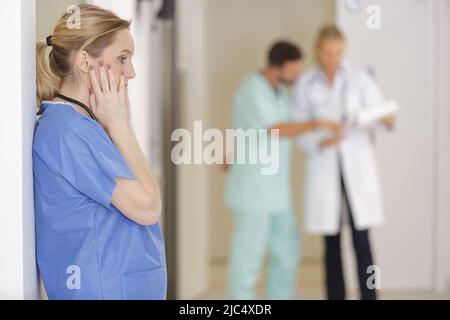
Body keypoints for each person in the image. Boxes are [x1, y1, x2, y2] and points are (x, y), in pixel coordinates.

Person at [33, 4, 166, 299]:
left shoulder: (85, 124)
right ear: (84, 62)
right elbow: (147, 207)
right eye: (122, 59)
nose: (130, 73)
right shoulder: (68, 131)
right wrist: (122, 128)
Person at [224, 41, 341, 299]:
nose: (298, 75)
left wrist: (321, 140)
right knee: (248, 260)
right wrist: (317, 123)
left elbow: (280, 132)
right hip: (253, 191)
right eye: (294, 69)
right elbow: (276, 129)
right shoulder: (252, 88)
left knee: (287, 252)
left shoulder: (279, 91)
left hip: (277, 192)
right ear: (278, 67)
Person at [292, 25, 395, 300]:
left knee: (362, 240)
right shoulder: (305, 83)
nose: (332, 59)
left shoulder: (360, 77)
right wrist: (318, 140)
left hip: (357, 165)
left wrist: (375, 116)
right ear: (317, 50)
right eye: (327, 53)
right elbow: (297, 125)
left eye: (337, 53)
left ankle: (370, 296)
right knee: (331, 242)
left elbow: (384, 113)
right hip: (325, 162)